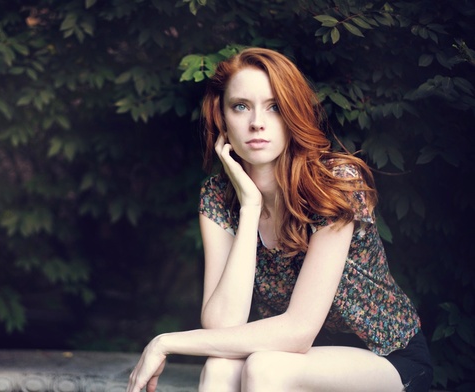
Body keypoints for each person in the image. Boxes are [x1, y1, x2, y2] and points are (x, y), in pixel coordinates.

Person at [126, 47, 433, 392]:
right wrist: (250, 208)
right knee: (219, 369)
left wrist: (165, 342)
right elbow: (222, 325)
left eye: (274, 107)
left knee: (265, 368)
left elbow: (298, 331)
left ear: (293, 114)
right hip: (296, 356)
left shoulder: (334, 184)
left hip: (384, 358)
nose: (257, 122)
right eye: (240, 106)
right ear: (222, 118)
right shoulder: (217, 195)